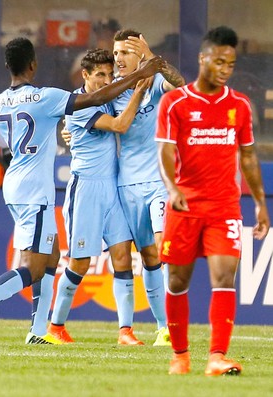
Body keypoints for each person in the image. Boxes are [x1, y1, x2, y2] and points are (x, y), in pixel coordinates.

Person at [0, 37, 165, 344]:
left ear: (8, 66)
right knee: (33, 268)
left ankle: (39, 332)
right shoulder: (46, 97)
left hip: (19, 185)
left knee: (50, 260)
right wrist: (137, 78)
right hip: (35, 191)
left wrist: (1, 151)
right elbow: (93, 102)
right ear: (34, 64)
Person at [155, 26, 270, 375]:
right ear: (202, 58)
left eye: (231, 64)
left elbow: (248, 157)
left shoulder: (239, 106)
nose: (225, 69)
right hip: (185, 204)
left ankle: (217, 357)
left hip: (224, 206)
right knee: (177, 281)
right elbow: (165, 151)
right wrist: (173, 189)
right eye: (219, 61)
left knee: (224, 276)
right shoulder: (174, 102)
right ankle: (180, 356)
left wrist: (261, 203)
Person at [48, 49, 150, 345]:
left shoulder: (108, 97)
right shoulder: (79, 106)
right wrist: (138, 90)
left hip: (113, 187)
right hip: (87, 190)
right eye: (100, 75)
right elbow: (120, 125)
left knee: (122, 257)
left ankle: (125, 331)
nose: (106, 80)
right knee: (79, 263)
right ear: (85, 76)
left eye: (109, 74)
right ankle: (56, 326)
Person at [111, 29, 185, 346]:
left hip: (157, 181)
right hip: (125, 183)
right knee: (145, 256)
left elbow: (182, 87)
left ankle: (167, 328)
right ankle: (143, 328)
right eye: (115, 54)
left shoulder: (155, 83)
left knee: (160, 246)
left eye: (126, 53)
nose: (119, 59)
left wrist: (154, 61)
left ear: (139, 54)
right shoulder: (111, 90)